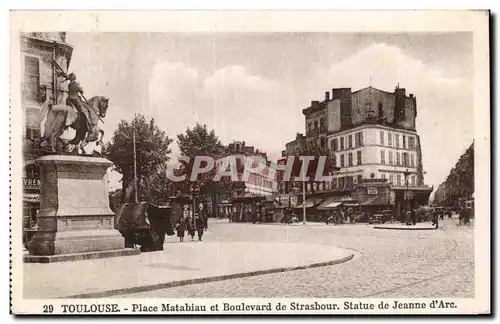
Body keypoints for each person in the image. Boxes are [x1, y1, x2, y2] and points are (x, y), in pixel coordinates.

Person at [64, 73, 93, 144]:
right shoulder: (76, 84)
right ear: (74, 78)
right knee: (84, 111)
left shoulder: (69, 85)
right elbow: (81, 91)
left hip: (68, 100)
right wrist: (81, 90)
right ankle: (88, 125)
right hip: (75, 100)